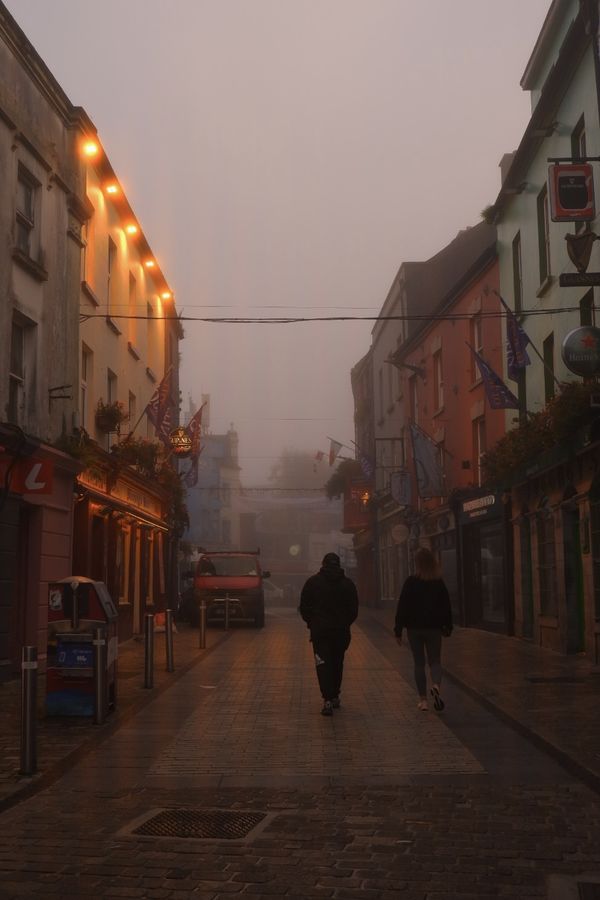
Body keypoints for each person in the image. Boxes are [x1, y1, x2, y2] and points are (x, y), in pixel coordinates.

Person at [394, 547, 453, 712]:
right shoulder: (438, 582)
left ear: (417, 563)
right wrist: (448, 626)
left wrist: (398, 630)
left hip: (414, 629)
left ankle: (423, 701)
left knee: (419, 663)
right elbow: (446, 606)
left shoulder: (411, 582)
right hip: (434, 629)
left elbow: (402, 607)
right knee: (435, 661)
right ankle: (436, 685)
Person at [300, 552, 359, 716]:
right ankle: (334, 695)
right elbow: (354, 609)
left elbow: (304, 606)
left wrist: (311, 622)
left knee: (323, 664)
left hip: (320, 632)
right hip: (341, 632)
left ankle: (327, 698)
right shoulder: (348, 584)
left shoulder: (312, 583)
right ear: (338, 565)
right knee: (337, 663)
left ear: (323, 564)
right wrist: (345, 623)